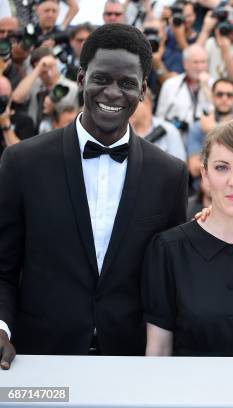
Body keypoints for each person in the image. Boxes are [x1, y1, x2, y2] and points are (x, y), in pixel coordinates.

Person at [0, 24, 188, 368]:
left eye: (127, 83)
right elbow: (3, 267)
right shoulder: (22, 162)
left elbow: (169, 279)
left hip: (130, 361)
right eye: (102, 79)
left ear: (144, 90)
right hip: (38, 359)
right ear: (82, 78)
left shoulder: (170, 174)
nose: (113, 93)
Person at [144, 120, 233, 356]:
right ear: (205, 174)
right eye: (222, 167)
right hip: (190, 389)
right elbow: (158, 347)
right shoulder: (169, 250)